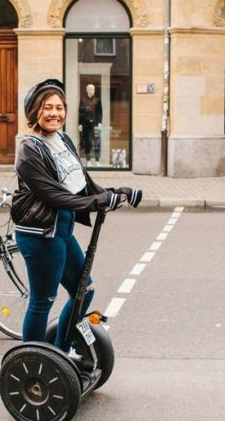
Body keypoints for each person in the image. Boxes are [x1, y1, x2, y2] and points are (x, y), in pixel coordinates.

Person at [11, 79, 140, 350]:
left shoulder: (63, 139)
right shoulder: (29, 149)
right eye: (47, 107)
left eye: (60, 107)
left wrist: (118, 192)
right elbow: (55, 195)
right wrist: (99, 201)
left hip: (62, 229)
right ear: (34, 111)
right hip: (41, 234)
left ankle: (60, 350)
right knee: (42, 300)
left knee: (85, 291)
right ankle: (34, 359)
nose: (54, 113)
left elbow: (80, 182)